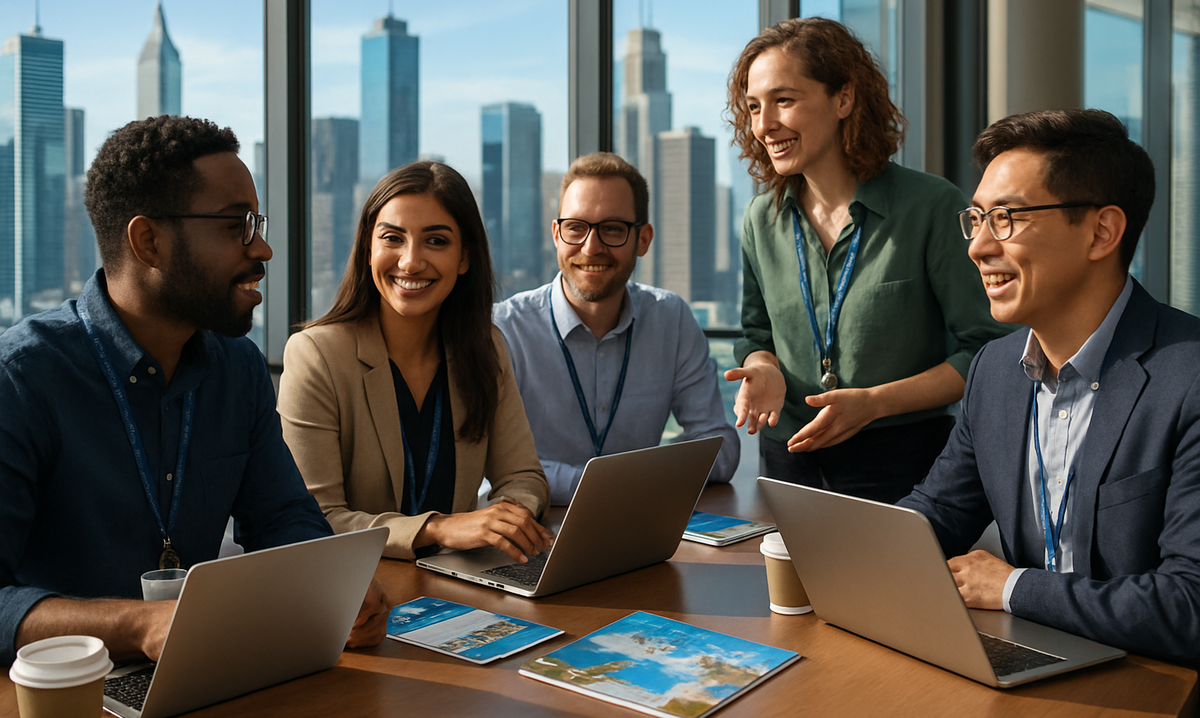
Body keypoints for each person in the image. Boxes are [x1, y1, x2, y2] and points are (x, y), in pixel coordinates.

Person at [0, 116, 388, 668]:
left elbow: (280, 516)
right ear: (148, 241)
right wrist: (139, 624)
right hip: (63, 695)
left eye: (258, 223)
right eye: (237, 227)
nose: (264, 249)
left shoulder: (237, 368)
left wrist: (331, 584)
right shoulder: (22, 377)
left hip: (202, 673)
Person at [898, 108, 1200, 666]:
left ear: (1101, 232)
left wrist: (1011, 588)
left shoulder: (1189, 377)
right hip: (1030, 666)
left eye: (1007, 218)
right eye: (978, 219)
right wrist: (831, 549)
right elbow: (934, 514)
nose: (978, 247)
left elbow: (1190, 606)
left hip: (1150, 685)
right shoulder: (993, 369)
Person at [724, 17, 1007, 503]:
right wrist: (762, 364)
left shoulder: (932, 206)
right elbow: (755, 332)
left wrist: (874, 403)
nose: (764, 124)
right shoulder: (759, 219)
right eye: (753, 107)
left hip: (904, 461)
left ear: (844, 99)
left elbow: (984, 351)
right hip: (788, 457)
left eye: (784, 100)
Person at [278, 161, 552, 562]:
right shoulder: (316, 355)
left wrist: (508, 519)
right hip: (361, 593)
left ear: (464, 258)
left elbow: (523, 476)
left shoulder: (485, 347)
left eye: (436, 241)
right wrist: (438, 528)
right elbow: (316, 520)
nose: (409, 262)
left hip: (459, 577)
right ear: (368, 248)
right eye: (392, 238)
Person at [493, 152, 739, 505]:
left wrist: (614, 484)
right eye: (576, 228)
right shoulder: (506, 329)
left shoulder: (671, 319)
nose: (591, 248)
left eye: (612, 229)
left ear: (643, 239)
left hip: (640, 530)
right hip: (535, 531)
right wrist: (620, 484)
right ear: (556, 235)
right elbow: (496, 466)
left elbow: (720, 446)